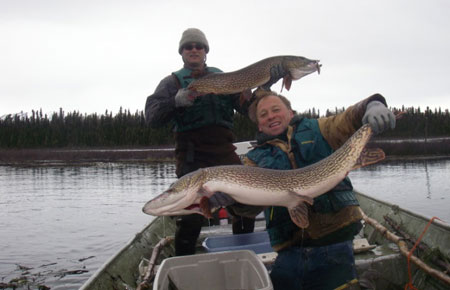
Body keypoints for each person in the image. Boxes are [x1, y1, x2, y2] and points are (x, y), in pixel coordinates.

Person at [237, 90, 396, 289]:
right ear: (259, 125)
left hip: (335, 242)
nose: (271, 116)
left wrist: (373, 103)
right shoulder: (254, 159)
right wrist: (230, 200)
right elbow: (249, 207)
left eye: (276, 110)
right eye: (264, 114)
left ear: (290, 112)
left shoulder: (319, 129)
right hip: (289, 250)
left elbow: (348, 119)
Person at [144, 28, 255, 256]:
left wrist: (258, 90)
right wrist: (175, 101)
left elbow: (248, 109)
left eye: (199, 46)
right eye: (188, 46)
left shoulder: (222, 77)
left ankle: (244, 253)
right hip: (191, 154)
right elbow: (152, 117)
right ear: (181, 52)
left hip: (224, 150)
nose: (194, 50)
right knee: (191, 217)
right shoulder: (172, 82)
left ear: (205, 51)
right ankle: (184, 262)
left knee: (244, 205)